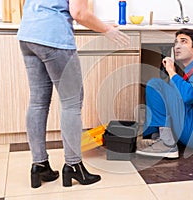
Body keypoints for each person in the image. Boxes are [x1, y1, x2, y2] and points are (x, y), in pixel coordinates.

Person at [17, 0, 130, 188]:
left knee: (38, 101)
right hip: (54, 36)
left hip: (28, 34)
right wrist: (107, 29)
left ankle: (39, 165)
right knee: (72, 103)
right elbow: (79, 13)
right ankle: (73, 165)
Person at [136, 28, 193, 159]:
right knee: (164, 88)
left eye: (184, 42)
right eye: (176, 42)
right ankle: (158, 137)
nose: (177, 46)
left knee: (156, 85)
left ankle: (166, 144)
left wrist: (171, 71)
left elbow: (188, 96)